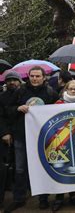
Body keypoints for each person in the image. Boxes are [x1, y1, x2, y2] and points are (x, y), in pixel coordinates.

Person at [4, 67, 59, 213]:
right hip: (21, 135)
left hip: (43, 137)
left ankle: (43, 199)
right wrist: (17, 108)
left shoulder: (50, 92)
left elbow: (60, 110)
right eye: (32, 76)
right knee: (20, 168)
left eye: (38, 76)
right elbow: (7, 110)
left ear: (44, 77)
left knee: (43, 166)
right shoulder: (19, 91)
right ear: (28, 77)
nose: (35, 79)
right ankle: (19, 199)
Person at [51, 80, 75, 211]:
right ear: (66, 89)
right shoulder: (59, 103)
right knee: (62, 165)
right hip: (62, 138)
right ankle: (59, 197)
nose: (73, 91)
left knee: (74, 164)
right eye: (70, 88)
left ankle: (73, 195)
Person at [0, 71, 22, 207]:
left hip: (21, 134)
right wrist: (5, 133)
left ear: (19, 81)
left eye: (14, 80)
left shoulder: (24, 94)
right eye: (9, 80)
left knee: (19, 166)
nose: (12, 82)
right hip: (6, 135)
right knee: (4, 166)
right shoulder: (1, 97)